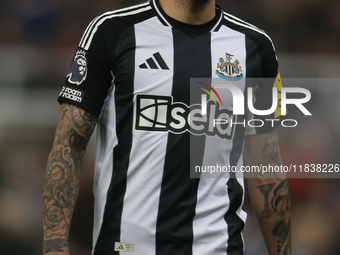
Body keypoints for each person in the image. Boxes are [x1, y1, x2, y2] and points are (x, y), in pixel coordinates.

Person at [43, 0, 292, 254]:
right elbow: (69, 146)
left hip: (218, 247)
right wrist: (54, 245)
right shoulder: (110, 31)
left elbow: (267, 168)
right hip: (125, 247)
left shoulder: (257, 47)